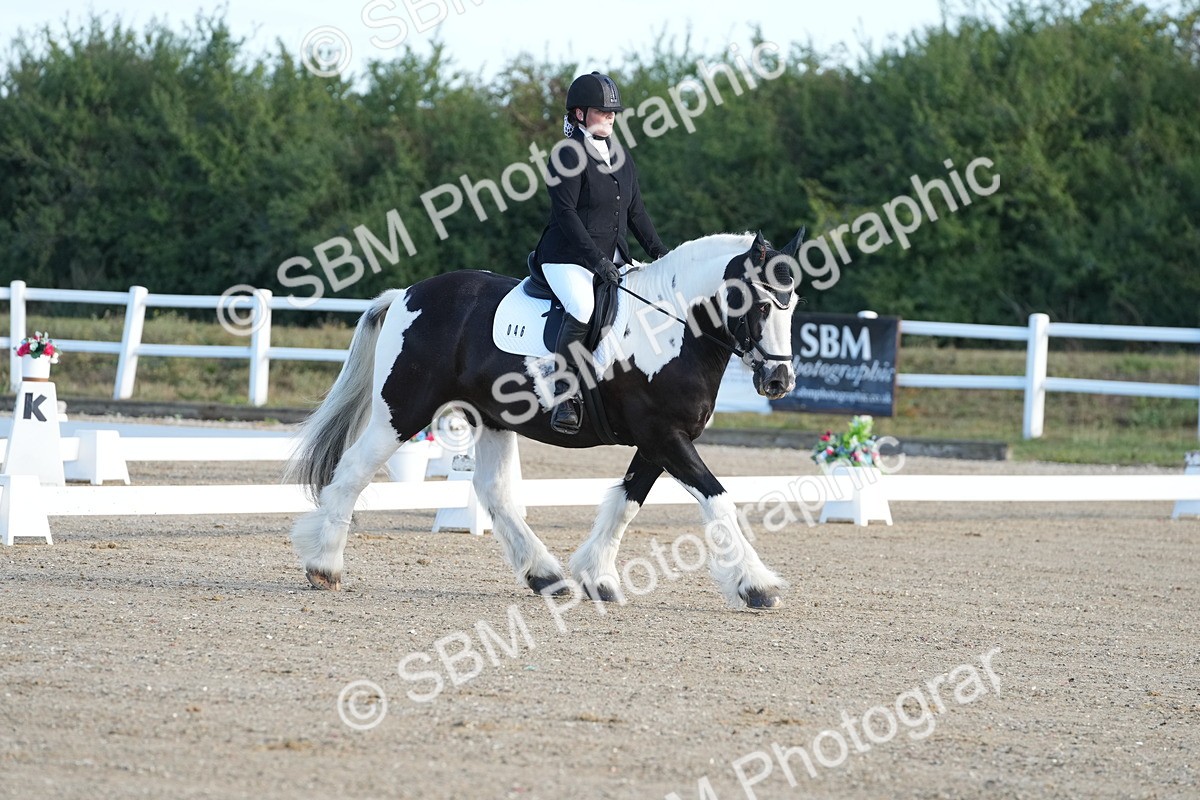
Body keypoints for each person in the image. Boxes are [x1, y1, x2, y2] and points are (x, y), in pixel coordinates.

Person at [533, 71, 670, 435]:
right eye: (601, 111)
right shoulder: (566, 155)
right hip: (566, 258)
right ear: (579, 114)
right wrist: (597, 261)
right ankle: (565, 395)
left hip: (612, 258)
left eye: (613, 112)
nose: (610, 117)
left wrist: (662, 255)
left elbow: (636, 213)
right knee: (582, 307)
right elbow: (566, 215)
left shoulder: (621, 158)